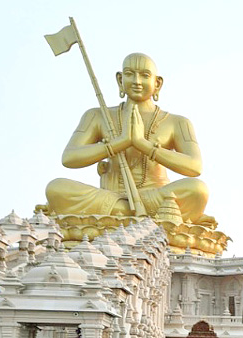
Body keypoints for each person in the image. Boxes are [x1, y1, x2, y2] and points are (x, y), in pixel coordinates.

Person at [44, 53, 211, 225]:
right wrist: (120, 142)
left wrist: (143, 144)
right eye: (130, 74)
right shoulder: (97, 115)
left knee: (198, 190)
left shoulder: (177, 122)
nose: (137, 81)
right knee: (56, 188)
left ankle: (118, 214)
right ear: (120, 79)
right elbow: (69, 157)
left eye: (145, 75)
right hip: (110, 196)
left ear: (157, 83)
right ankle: (131, 211)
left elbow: (195, 167)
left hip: (157, 197)